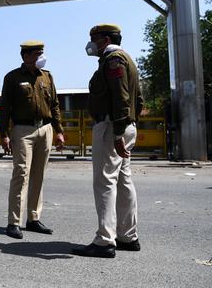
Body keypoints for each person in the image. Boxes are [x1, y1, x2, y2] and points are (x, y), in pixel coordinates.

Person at [72, 24, 143, 258]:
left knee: (105, 182)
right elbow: (138, 99)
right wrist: (128, 125)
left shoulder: (113, 60)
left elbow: (122, 97)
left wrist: (118, 132)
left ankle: (104, 241)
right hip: (123, 125)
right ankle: (127, 236)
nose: (90, 43)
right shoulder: (126, 59)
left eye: (93, 38)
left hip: (112, 126)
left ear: (105, 39)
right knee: (123, 180)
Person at [0, 40, 65, 239]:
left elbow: (54, 105)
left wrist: (59, 130)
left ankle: (33, 218)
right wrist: (4, 134)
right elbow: (4, 109)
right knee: (21, 173)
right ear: (26, 56)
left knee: (39, 174)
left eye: (41, 53)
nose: (41, 57)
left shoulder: (47, 76)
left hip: (45, 129)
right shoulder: (12, 78)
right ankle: (14, 222)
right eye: (37, 54)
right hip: (22, 130)